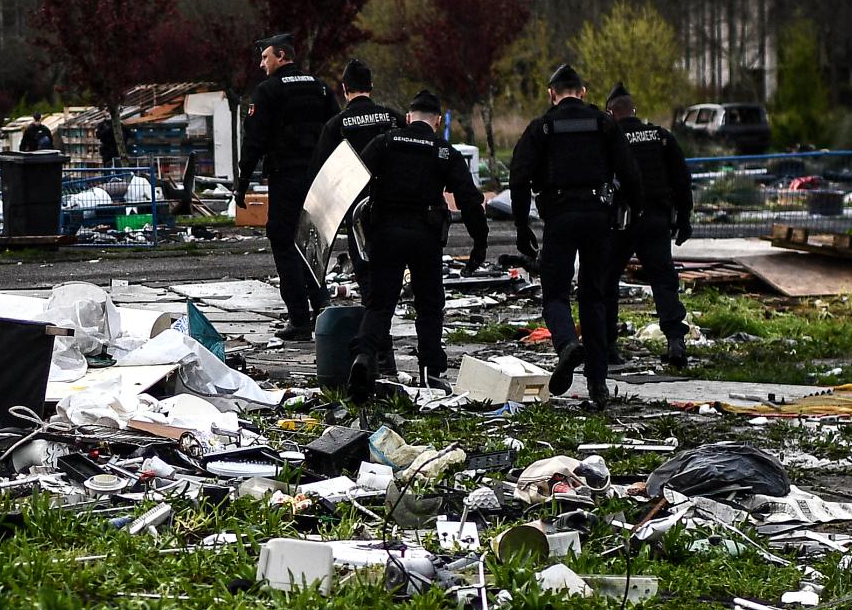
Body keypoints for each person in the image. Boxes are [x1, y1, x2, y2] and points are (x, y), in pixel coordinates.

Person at [507, 62, 641, 406]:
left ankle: (567, 344)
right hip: (599, 218)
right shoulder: (604, 123)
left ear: (552, 94)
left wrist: (523, 226)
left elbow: (519, 177)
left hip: (560, 217)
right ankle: (597, 384)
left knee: (555, 295)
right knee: (594, 298)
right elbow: (631, 172)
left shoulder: (542, 128)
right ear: (583, 93)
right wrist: (630, 210)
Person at [346, 89, 486, 399]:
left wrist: (353, 227)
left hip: (385, 234)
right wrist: (480, 243)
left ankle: (364, 357)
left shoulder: (384, 142)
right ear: (437, 121)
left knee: (380, 304)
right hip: (425, 236)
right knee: (429, 306)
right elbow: (470, 200)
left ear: (408, 118)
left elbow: (351, 179)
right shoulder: (444, 151)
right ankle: (432, 374)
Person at [236, 33, 338, 339]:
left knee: (284, 242)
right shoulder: (320, 87)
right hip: (319, 179)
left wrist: (242, 183)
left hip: (287, 176)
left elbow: (253, 140)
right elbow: (337, 129)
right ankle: (323, 305)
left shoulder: (268, 91)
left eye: (265, 57)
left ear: (281, 56)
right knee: (313, 243)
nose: (261, 64)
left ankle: (299, 318)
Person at [607, 85, 695, 367]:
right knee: (663, 281)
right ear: (634, 110)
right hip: (657, 220)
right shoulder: (660, 137)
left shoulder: (610, 138)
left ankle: (608, 345)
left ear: (611, 113)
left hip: (620, 223)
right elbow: (682, 179)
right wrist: (684, 218)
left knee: (606, 282)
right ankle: (675, 341)